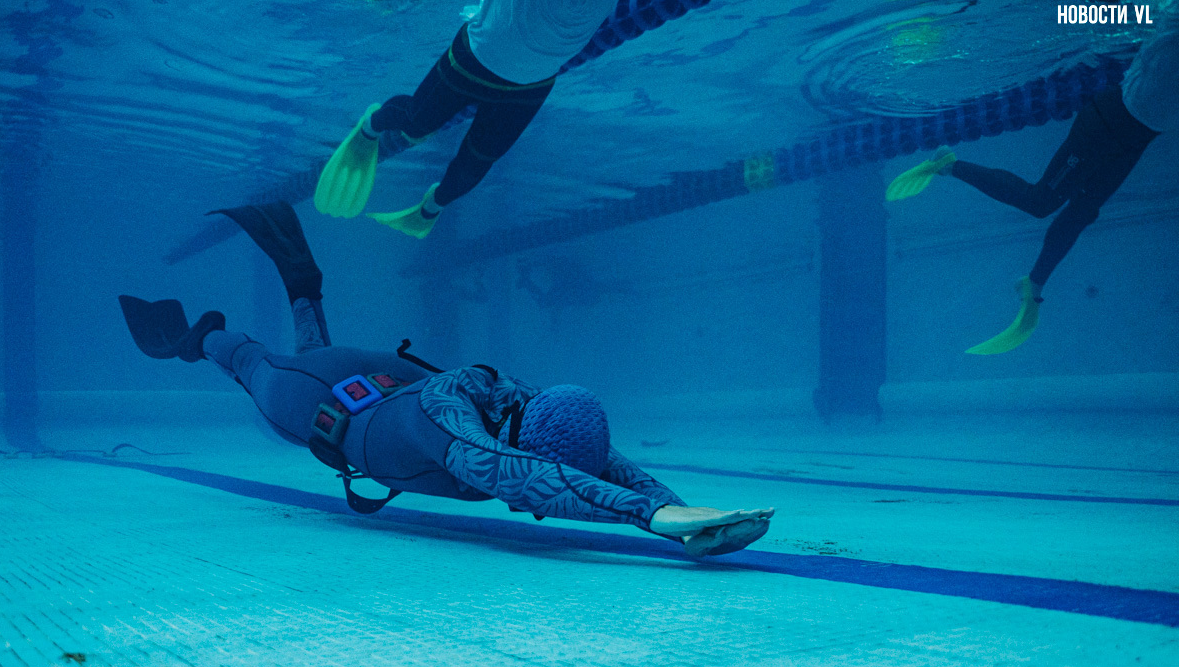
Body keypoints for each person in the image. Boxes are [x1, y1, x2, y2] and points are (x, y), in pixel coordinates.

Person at [119, 202, 774, 557]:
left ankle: (301, 283)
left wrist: (681, 508)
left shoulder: (523, 405)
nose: (534, 505)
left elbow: (602, 462)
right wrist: (652, 516)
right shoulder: (456, 426)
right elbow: (521, 476)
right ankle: (193, 336)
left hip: (376, 383)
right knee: (251, 362)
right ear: (522, 442)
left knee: (313, 352)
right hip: (322, 400)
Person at [886, 4, 1176, 354]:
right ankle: (948, 164)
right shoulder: (1172, 12)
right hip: (1106, 122)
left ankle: (1033, 284)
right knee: (1041, 202)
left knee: (1084, 211)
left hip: (1136, 140)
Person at [313, 0, 630, 239]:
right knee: (414, 125)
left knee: (474, 165)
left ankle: (429, 209)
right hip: (477, 56)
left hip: (534, 83)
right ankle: (371, 126)